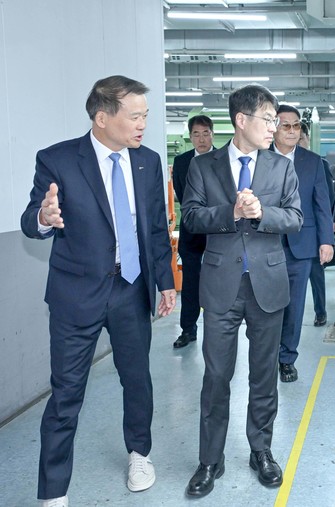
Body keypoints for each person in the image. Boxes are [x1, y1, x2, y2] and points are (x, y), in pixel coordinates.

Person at [20, 75, 177, 507]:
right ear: (102, 117)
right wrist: (44, 218)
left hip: (131, 289)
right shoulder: (57, 159)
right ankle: (54, 492)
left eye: (145, 115)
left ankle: (140, 454)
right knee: (66, 394)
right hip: (76, 295)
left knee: (137, 380)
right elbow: (31, 219)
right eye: (135, 116)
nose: (143, 124)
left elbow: (155, 228)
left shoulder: (147, 162)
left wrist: (165, 281)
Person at [181, 85, 303, 497]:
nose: (274, 128)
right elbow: (191, 217)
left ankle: (261, 451)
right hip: (221, 287)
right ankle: (210, 460)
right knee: (216, 375)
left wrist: (262, 212)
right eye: (268, 120)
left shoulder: (281, 167)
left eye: (275, 121)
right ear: (241, 120)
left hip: (267, 284)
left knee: (264, 375)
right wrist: (230, 212)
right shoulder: (204, 166)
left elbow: (295, 218)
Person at [271, 105, 334, 383]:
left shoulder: (313, 162)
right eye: (286, 125)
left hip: (302, 244)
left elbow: (322, 204)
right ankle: (266, 354)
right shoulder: (259, 157)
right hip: (265, 244)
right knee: (266, 305)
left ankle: (287, 359)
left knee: (294, 306)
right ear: (273, 128)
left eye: (296, 125)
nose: (292, 131)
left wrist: (326, 241)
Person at [171, 115, 214, 349]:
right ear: (190, 137)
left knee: (220, 282)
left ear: (212, 134)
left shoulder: (224, 159)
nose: (201, 139)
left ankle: (220, 330)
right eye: (196, 134)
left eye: (206, 133)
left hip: (219, 231)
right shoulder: (181, 162)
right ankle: (188, 329)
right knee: (190, 283)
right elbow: (183, 195)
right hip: (192, 232)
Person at [297, 122, 334, 327]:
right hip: (288, 233)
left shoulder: (318, 163)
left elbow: (326, 200)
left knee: (316, 277)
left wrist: (325, 236)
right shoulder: (279, 163)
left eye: (301, 138)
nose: (298, 142)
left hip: (311, 234)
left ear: (307, 139)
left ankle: (321, 311)